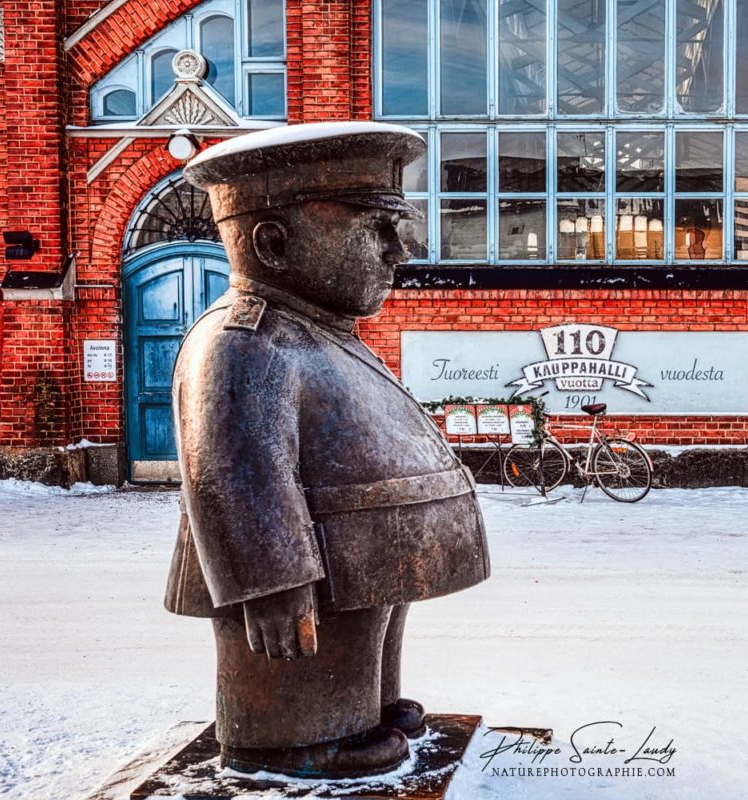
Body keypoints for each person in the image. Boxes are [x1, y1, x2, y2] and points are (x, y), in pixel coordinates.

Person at [164, 122, 491, 778]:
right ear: (275, 243)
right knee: (307, 647)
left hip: (355, 555)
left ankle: (361, 707)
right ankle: (291, 736)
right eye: (376, 229)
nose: (398, 251)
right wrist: (272, 579)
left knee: (368, 623)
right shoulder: (243, 341)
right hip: (301, 577)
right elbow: (231, 471)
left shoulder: (319, 332)